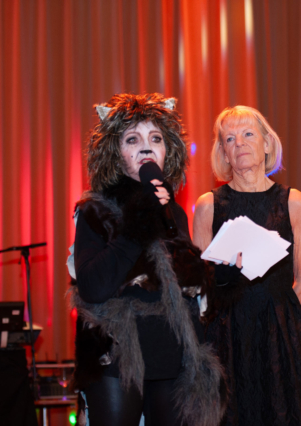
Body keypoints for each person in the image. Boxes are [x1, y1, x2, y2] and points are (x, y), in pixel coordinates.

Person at [68, 93, 225, 426]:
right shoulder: (94, 209)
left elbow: (183, 287)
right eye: (132, 139)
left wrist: (220, 275)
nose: (145, 148)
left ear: (168, 151)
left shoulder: (176, 214)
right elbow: (93, 287)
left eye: (155, 139)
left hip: (171, 352)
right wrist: (139, 221)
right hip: (117, 355)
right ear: (115, 152)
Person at [193, 106, 301, 426]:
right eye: (229, 139)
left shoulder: (293, 201)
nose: (239, 143)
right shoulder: (208, 206)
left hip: (282, 332)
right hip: (227, 335)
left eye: (248, 134)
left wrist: (279, 321)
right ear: (223, 152)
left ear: (266, 143)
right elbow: (198, 282)